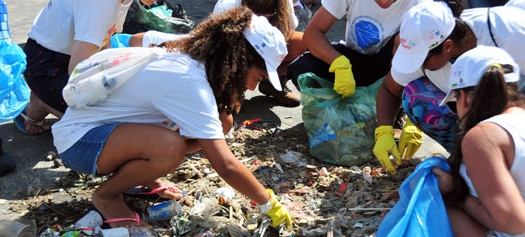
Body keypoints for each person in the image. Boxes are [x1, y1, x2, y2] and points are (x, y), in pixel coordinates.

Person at [51, 6, 292, 228]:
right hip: (80, 142)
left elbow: (139, 39)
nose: (251, 88)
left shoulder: (194, 47)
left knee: (222, 121)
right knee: (170, 148)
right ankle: (107, 195)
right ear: (239, 61)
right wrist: (267, 203)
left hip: (107, 131)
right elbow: (225, 165)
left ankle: (141, 175)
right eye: (258, 78)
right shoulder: (190, 83)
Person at [374, 0, 525, 174]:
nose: (419, 66)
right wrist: (384, 131)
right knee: (415, 97)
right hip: (484, 113)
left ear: (447, 46)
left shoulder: (510, 35)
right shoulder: (427, 47)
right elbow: (389, 89)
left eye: (422, 60)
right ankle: (470, 157)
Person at [432, 45, 525, 237]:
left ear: (463, 97)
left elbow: (514, 222)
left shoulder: (483, 136)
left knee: (437, 204)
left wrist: (455, 194)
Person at [13, 0, 132, 135]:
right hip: (47, 65)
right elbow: (78, 73)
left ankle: (50, 98)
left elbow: (105, 35)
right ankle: (42, 101)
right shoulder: (100, 3)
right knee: (106, 127)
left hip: (67, 56)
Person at [286, 0, 429, 100]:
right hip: (352, 58)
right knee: (301, 68)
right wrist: (339, 64)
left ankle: (397, 113)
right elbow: (312, 33)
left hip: (389, 66)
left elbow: (422, 54)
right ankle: (331, 109)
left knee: (405, 41)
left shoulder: (418, 4)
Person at [213, 0, 307, 107]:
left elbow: (289, 32)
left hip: (261, 49)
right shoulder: (227, 6)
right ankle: (232, 91)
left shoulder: (283, 4)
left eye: (267, 16)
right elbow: (219, 51)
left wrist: (269, 52)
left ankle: (271, 84)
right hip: (233, 53)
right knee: (226, 108)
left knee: (303, 42)